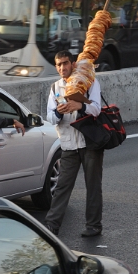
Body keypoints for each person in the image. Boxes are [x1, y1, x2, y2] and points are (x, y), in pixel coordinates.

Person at [44, 50, 104, 237]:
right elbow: (50, 117)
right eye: (59, 64)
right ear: (56, 67)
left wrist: (80, 106)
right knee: (62, 186)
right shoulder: (55, 88)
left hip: (90, 143)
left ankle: (93, 225)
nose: (63, 67)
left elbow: (96, 109)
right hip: (69, 144)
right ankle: (52, 225)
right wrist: (60, 112)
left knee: (93, 185)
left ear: (73, 64)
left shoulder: (89, 81)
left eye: (66, 63)